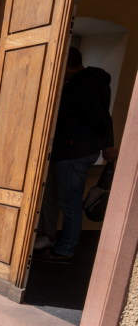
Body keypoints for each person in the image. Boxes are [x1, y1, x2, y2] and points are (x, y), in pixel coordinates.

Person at [34, 46, 118, 263]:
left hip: (73, 153)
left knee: (69, 204)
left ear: (67, 64)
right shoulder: (89, 83)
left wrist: (107, 145)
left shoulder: (82, 86)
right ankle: (53, 240)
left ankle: (65, 250)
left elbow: (101, 120)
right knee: (59, 199)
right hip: (74, 151)